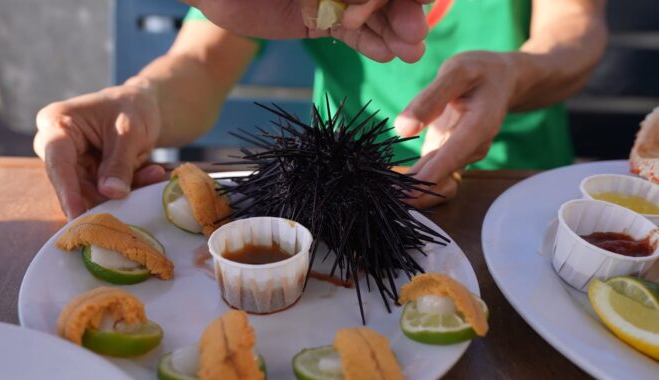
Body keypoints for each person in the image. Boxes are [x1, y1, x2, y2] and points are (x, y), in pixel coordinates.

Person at [34, 0, 607, 219]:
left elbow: (576, 32)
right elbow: (203, 63)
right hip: (337, 197)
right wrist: (139, 102)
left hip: (515, 193)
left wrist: (514, 75)